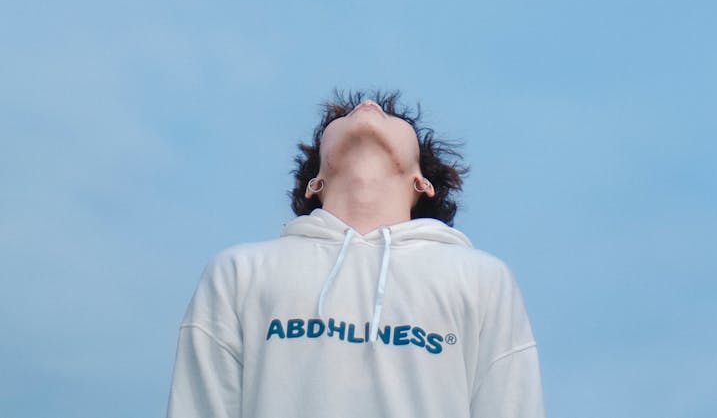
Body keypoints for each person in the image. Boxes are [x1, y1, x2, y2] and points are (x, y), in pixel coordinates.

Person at [166, 90, 545, 417]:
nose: (366, 106)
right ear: (315, 181)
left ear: (423, 182)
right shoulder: (240, 273)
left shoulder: (480, 279)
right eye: (345, 116)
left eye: (389, 116)